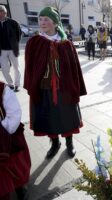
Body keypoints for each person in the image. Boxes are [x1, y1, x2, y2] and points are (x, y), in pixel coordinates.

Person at [23, 6, 87, 159]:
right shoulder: (34, 42)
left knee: (67, 118)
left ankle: (69, 144)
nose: (42, 22)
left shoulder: (66, 44)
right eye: (40, 19)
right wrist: (32, 85)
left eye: (46, 19)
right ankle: (54, 143)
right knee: (48, 119)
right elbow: (30, 67)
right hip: (44, 89)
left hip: (64, 89)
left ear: (56, 23)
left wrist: (76, 88)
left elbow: (74, 69)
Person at [0, 81, 31, 200]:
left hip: (8, 137)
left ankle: (20, 187)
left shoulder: (3, 89)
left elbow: (14, 114)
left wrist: (2, 131)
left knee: (15, 166)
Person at [0, 5, 22, 92]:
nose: (0, 14)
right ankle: (10, 84)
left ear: (5, 13)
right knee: (5, 69)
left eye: (1, 12)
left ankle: (17, 85)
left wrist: (15, 44)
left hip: (13, 49)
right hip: (2, 51)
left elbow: (19, 34)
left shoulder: (13, 22)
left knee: (16, 68)